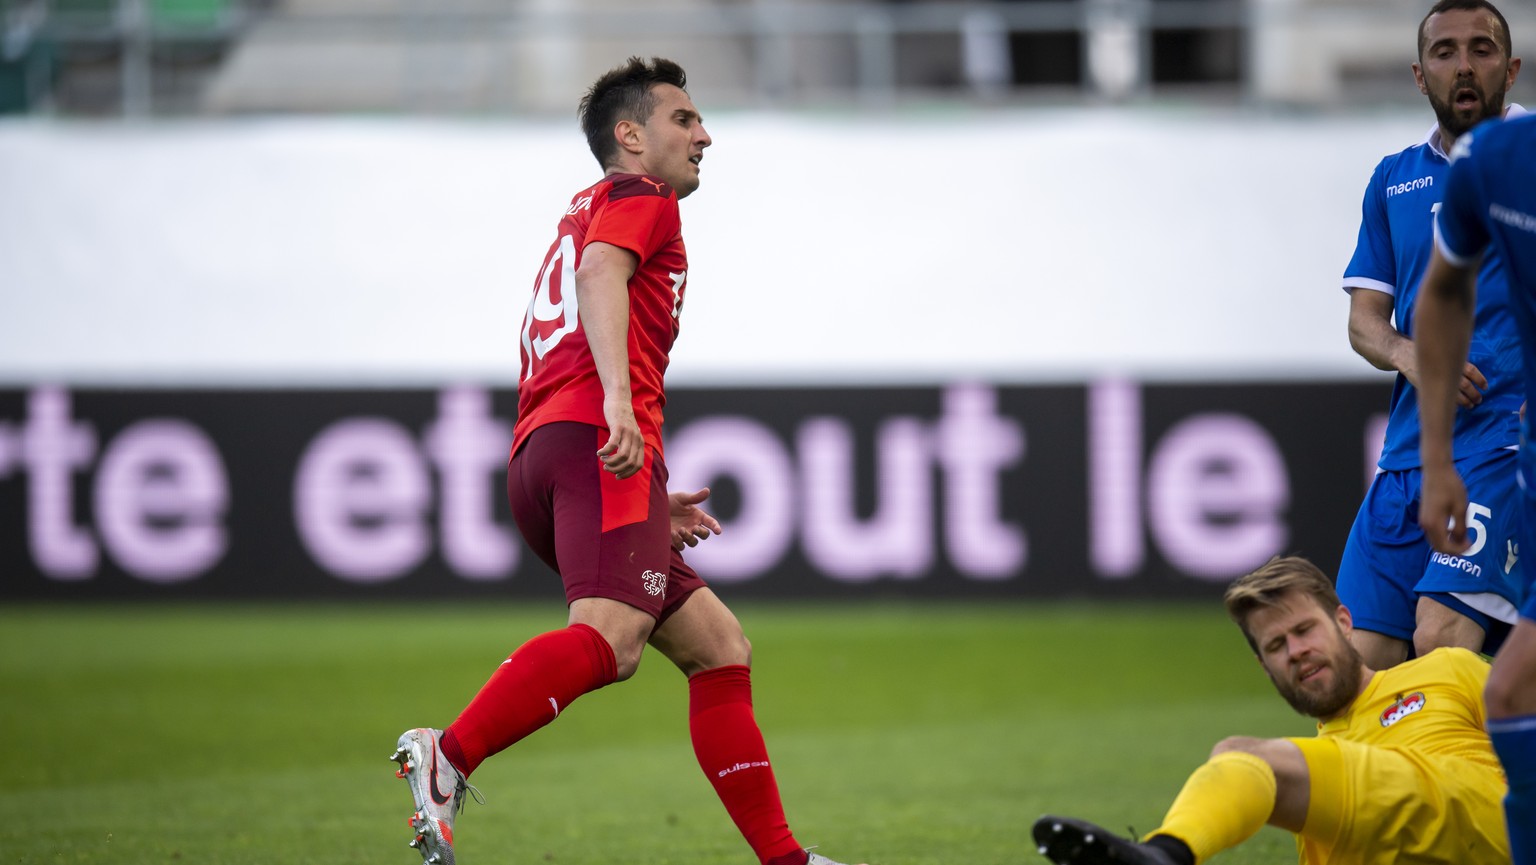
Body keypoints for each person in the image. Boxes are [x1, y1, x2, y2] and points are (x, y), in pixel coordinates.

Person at [389, 57, 867, 865]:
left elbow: (586, 284)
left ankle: (787, 860)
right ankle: (450, 754)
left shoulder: (585, 207)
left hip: (549, 452)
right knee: (611, 640)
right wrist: (617, 404)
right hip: (591, 444)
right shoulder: (638, 201)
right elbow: (600, 273)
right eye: (684, 118)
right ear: (631, 135)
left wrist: (647, 503)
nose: (704, 134)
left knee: (719, 646)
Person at [1032, 555, 1509, 865]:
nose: (1296, 650)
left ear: (1344, 624)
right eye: (1277, 645)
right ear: (1265, 669)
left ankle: (1162, 856)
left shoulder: (1446, 670)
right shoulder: (1316, 798)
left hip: (1492, 824)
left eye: (1304, 630)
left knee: (1240, 754)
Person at [1336, 0, 1525, 669]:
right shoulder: (1394, 179)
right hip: (1410, 455)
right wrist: (1407, 352)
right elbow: (1364, 321)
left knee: (1441, 636)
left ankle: (1481, 777)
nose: (1464, 65)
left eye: (1482, 48)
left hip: (1505, 443)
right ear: (1421, 75)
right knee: (1357, 665)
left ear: (1512, 66)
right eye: (1446, 52)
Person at [1415, 110, 1536, 865]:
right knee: (1512, 693)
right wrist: (1437, 460)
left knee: (1511, 690)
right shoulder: (1494, 160)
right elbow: (1443, 292)